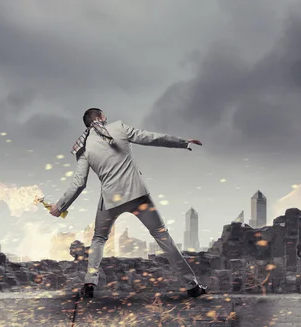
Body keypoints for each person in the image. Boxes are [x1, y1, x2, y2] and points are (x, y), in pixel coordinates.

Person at [49, 108, 207, 298]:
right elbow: (151, 138)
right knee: (162, 236)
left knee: (99, 239)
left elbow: (79, 183)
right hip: (138, 194)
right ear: (100, 118)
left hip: (111, 200)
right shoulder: (119, 128)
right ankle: (192, 286)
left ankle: (90, 282)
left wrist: (60, 206)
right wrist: (183, 142)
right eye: (103, 116)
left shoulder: (83, 146)